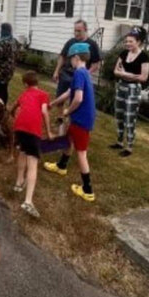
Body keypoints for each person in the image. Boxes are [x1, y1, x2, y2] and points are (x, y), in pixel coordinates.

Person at [44, 42, 97, 202]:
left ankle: (87, 189)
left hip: (82, 120)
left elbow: (78, 98)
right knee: (69, 140)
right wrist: (53, 104)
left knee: (81, 153)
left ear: (75, 57)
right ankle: (61, 166)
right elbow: (69, 93)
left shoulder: (80, 73)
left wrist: (67, 111)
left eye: (70, 60)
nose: (69, 63)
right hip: (81, 118)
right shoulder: (84, 72)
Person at [9, 71, 52, 218]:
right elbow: (45, 112)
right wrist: (49, 131)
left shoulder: (24, 94)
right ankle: (28, 201)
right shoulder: (43, 95)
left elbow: (15, 105)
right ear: (37, 82)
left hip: (19, 127)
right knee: (32, 163)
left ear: (26, 84)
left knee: (22, 152)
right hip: (33, 130)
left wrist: (11, 112)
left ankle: (19, 182)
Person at [110, 30, 149, 157]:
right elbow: (116, 71)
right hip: (121, 86)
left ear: (138, 42)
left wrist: (125, 74)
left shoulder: (144, 57)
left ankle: (129, 147)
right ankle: (119, 141)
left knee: (129, 117)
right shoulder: (123, 53)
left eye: (130, 41)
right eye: (126, 41)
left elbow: (143, 78)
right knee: (119, 114)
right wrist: (129, 75)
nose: (127, 44)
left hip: (133, 89)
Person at [52, 19, 101, 98]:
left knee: (75, 100)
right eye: (75, 31)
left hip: (79, 77)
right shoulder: (70, 42)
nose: (76, 33)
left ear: (85, 30)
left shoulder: (92, 45)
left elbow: (95, 64)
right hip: (65, 75)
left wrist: (86, 74)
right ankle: (60, 110)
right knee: (60, 98)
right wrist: (56, 71)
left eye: (79, 31)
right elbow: (62, 57)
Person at [0, 22, 19, 105]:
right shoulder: (14, 41)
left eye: (1, 30)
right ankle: (4, 105)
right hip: (10, 69)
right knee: (5, 87)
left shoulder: (3, 42)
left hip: (2, 70)